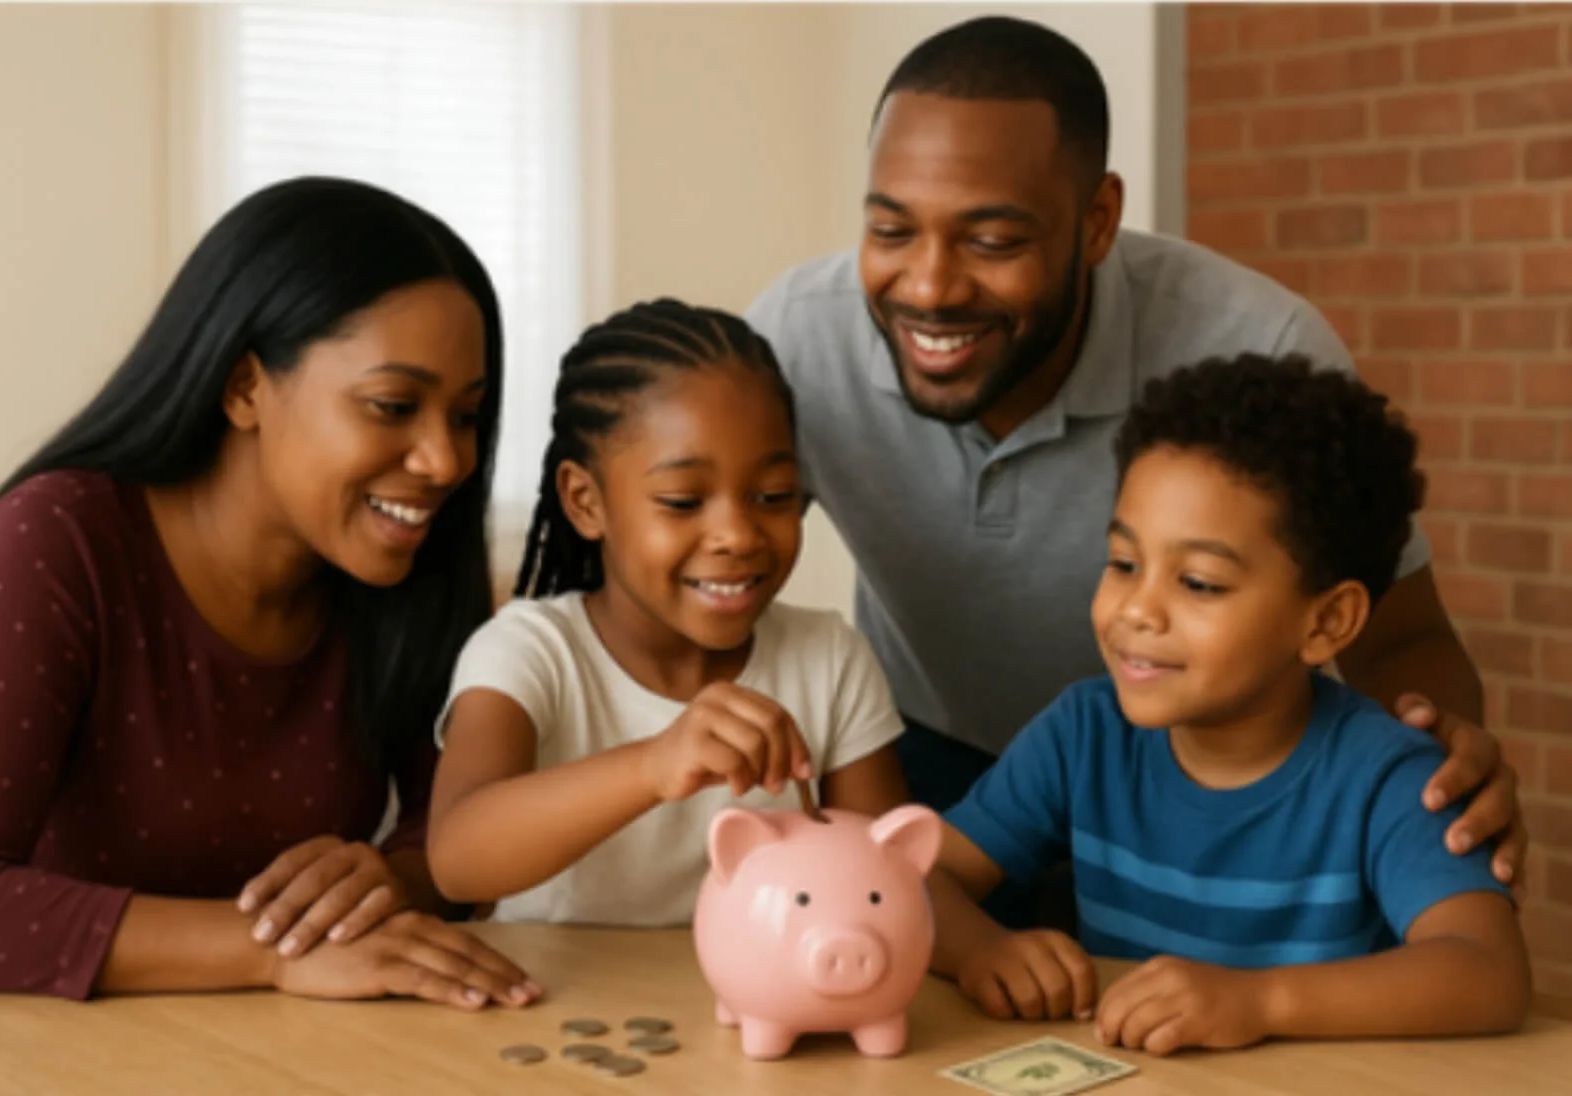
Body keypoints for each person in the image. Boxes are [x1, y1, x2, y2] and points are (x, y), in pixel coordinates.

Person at [745, 16, 1525, 928]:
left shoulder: (1254, 346)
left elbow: (1397, 635)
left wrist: (1437, 774)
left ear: (1098, 221)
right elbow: (696, 576)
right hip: (931, 757)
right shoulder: (795, 340)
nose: (930, 287)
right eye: (890, 229)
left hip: (1193, 778)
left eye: (992, 242)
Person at [0, 176, 540, 1009]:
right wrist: (273, 952)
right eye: (393, 405)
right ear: (245, 386)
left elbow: (459, 828)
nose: (445, 461)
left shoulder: (403, 560)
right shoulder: (59, 537)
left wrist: (392, 882)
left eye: (467, 415)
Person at [927, 355, 1531, 1054]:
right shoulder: (1081, 734)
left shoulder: (1387, 776)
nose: (1138, 610)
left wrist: (1259, 1000)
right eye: (1123, 563)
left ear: (1326, 623)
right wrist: (981, 950)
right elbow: (911, 880)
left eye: (1200, 583)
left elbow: (1488, 971)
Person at [426, 299, 909, 925]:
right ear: (585, 501)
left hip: (749, 1013)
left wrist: (986, 951)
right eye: (683, 501)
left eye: (773, 496)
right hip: (548, 1011)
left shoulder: (829, 658)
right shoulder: (529, 651)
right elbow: (458, 858)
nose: (737, 534)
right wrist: (652, 765)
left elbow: (886, 871)